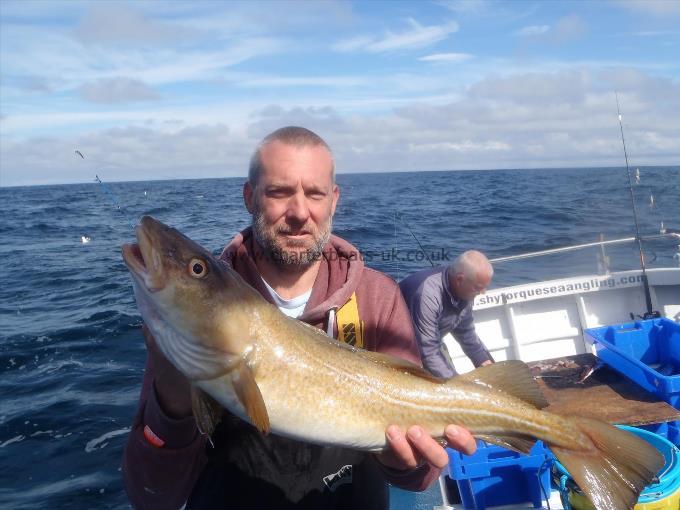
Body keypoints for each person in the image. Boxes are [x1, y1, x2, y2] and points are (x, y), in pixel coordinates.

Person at [122, 126, 476, 510]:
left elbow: (420, 476)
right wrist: (172, 398)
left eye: (315, 193)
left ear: (334, 200)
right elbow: (153, 497)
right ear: (249, 197)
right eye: (279, 192)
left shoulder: (377, 297)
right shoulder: (192, 320)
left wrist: (403, 462)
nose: (299, 212)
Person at [400, 251, 494, 378]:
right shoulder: (428, 293)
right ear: (460, 279)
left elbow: (466, 333)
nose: (483, 293)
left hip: (431, 341)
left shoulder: (465, 292)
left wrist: (487, 365)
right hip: (401, 346)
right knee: (446, 387)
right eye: (478, 288)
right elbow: (427, 351)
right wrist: (457, 385)